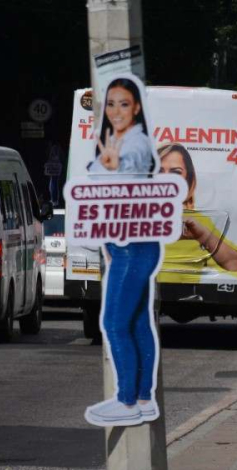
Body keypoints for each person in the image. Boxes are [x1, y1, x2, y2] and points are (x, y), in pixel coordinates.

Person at [84, 77, 161, 427]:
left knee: (114, 323)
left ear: (137, 108)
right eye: (111, 104)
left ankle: (127, 400)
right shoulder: (117, 139)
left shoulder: (136, 144)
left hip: (132, 247)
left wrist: (107, 168)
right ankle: (143, 398)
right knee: (137, 322)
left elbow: (124, 180)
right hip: (128, 243)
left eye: (124, 104)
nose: (116, 111)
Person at [156, 143, 237, 282]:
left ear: (188, 180)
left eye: (175, 172)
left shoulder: (197, 222)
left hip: (183, 296)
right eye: (159, 171)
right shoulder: (127, 213)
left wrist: (203, 235)